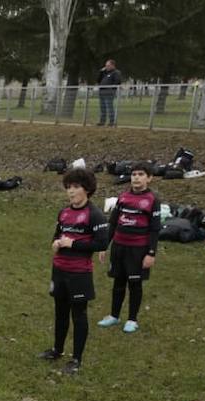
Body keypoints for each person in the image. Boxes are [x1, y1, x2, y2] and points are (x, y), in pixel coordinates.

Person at [39, 168, 109, 375]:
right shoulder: (64, 212)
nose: (71, 192)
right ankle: (57, 350)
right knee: (60, 311)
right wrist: (55, 243)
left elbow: (101, 243)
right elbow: (57, 234)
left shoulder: (95, 214)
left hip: (79, 273)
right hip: (59, 270)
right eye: (68, 187)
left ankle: (76, 359)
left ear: (86, 189)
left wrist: (73, 244)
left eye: (76, 187)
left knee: (78, 315)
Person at [99, 161, 159, 333]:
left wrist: (151, 253)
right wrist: (105, 245)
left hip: (138, 250)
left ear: (149, 178)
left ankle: (132, 319)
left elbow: (154, 230)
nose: (136, 178)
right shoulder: (123, 197)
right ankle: (114, 316)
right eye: (134, 174)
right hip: (119, 247)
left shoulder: (152, 200)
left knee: (134, 284)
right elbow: (113, 223)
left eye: (141, 174)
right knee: (118, 282)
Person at [97, 60, 122, 127]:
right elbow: (98, 80)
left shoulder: (116, 72)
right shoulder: (104, 73)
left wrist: (111, 89)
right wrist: (101, 72)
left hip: (109, 93)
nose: (106, 67)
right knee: (102, 108)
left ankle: (111, 122)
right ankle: (102, 121)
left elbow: (117, 81)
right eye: (106, 65)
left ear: (112, 65)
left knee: (109, 107)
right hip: (102, 92)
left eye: (108, 65)